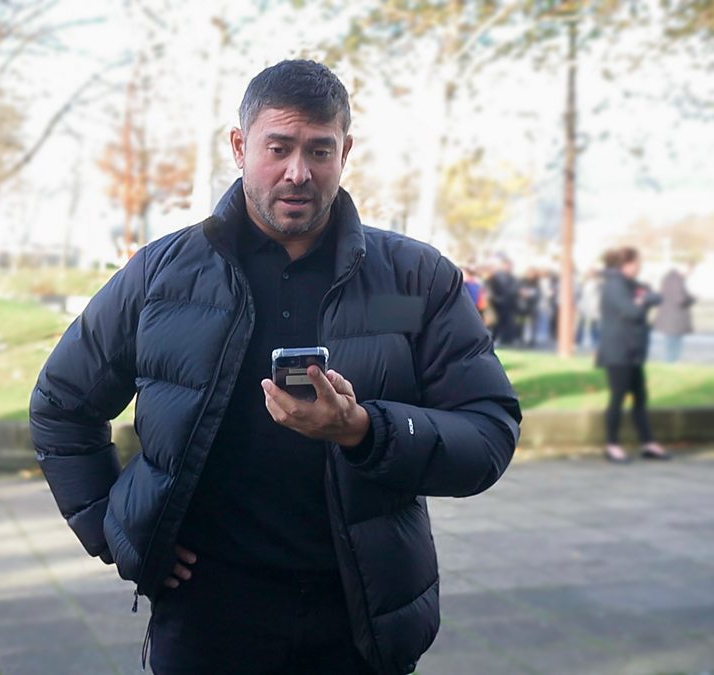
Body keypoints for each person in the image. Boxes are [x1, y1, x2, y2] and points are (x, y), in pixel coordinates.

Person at [29, 60, 521, 675]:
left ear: (345, 152)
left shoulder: (415, 279)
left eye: (320, 150)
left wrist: (364, 430)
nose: (298, 172)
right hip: (207, 617)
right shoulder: (161, 274)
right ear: (240, 147)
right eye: (279, 147)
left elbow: (488, 433)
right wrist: (116, 531)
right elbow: (61, 405)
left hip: (360, 619)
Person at [596, 246, 669, 463]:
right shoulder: (614, 285)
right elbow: (631, 311)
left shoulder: (631, 284)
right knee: (618, 398)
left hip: (633, 351)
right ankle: (612, 444)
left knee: (640, 397)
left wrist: (642, 299)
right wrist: (641, 301)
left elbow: (656, 296)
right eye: (636, 263)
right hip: (618, 350)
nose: (639, 267)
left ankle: (648, 442)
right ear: (625, 264)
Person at [653, 261, 697, 363]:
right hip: (674, 319)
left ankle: (672, 363)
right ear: (683, 267)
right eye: (690, 270)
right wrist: (692, 299)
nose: (690, 273)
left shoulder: (671, 278)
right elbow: (680, 299)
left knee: (672, 344)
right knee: (673, 346)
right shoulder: (675, 279)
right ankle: (671, 364)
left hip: (671, 319)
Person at [486, 255, 520, 347]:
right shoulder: (495, 276)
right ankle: (494, 339)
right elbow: (490, 288)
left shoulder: (512, 278)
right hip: (497, 304)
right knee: (495, 324)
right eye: (506, 265)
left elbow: (513, 290)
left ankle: (505, 340)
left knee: (507, 323)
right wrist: (496, 299)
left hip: (508, 305)